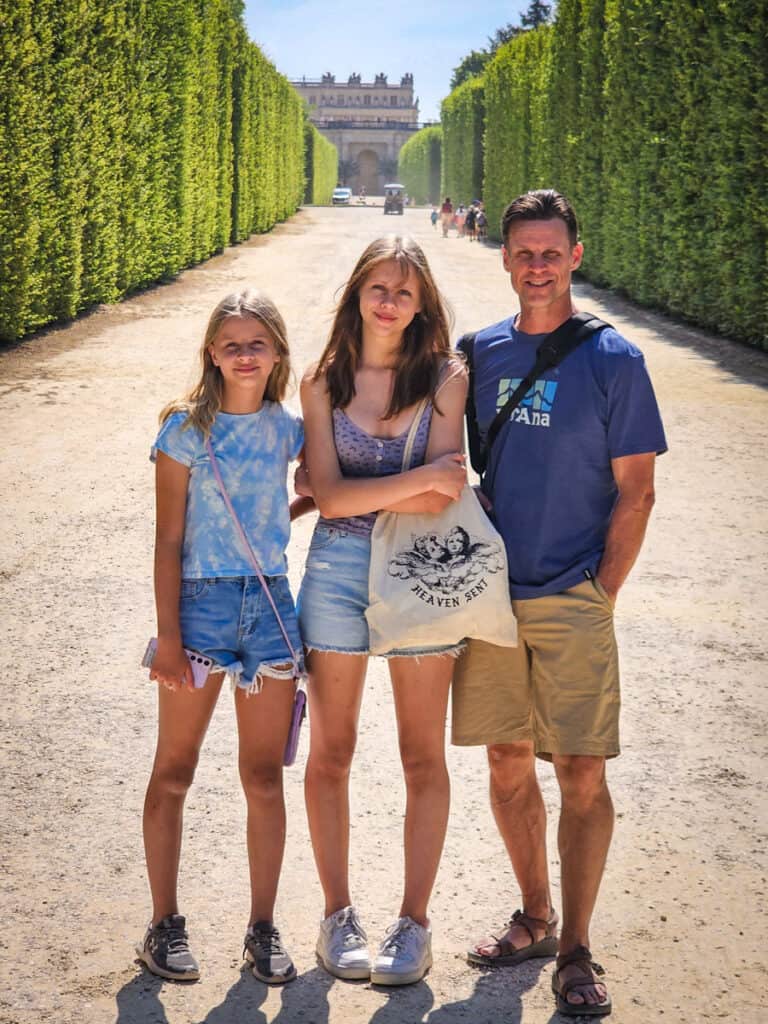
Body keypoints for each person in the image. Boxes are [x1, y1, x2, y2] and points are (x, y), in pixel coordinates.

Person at [453, 190, 667, 1017]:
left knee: (580, 771)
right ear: (503, 258)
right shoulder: (479, 355)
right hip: (493, 600)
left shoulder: (617, 360)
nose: (536, 265)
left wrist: (600, 593)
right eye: (523, 252)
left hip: (573, 593)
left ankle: (577, 945)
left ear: (575, 256)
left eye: (551, 252)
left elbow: (638, 493)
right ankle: (535, 914)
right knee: (506, 761)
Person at [296, 235, 468, 986]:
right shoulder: (322, 379)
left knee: (421, 756)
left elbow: (450, 488)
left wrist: (372, 490)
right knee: (331, 754)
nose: (390, 300)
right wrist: (418, 474)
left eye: (404, 289)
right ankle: (338, 914)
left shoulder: (447, 376)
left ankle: (415, 923)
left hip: (417, 574)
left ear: (423, 300)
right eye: (378, 287)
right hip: (336, 574)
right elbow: (331, 496)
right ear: (358, 292)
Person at [137, 291, 305, 986]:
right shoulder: (182, 430)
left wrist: (292, 507)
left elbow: (301, 493)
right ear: (211, 352)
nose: (244, 354)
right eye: (231, 343)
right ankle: (163, 922)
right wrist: (169, 636)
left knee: (263, 778)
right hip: (202, 609)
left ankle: (262, 927)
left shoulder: (288, 429)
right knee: (174, 769)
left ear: (276, 354)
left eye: (256, 343)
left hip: (269, 605)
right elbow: (169, 537)